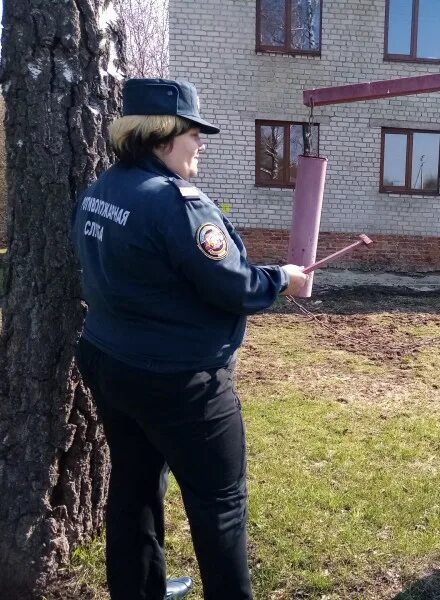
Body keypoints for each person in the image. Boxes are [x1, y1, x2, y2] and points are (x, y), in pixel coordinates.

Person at [72, 78, 308, 600]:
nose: (200, 143)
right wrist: (282, 278)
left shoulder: (99, 192)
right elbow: (234, 284)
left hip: (109, 363)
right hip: (181, 382)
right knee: (219, 504)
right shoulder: (177, 203)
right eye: (193, 133)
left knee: (133, 486)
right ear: (162, 137)